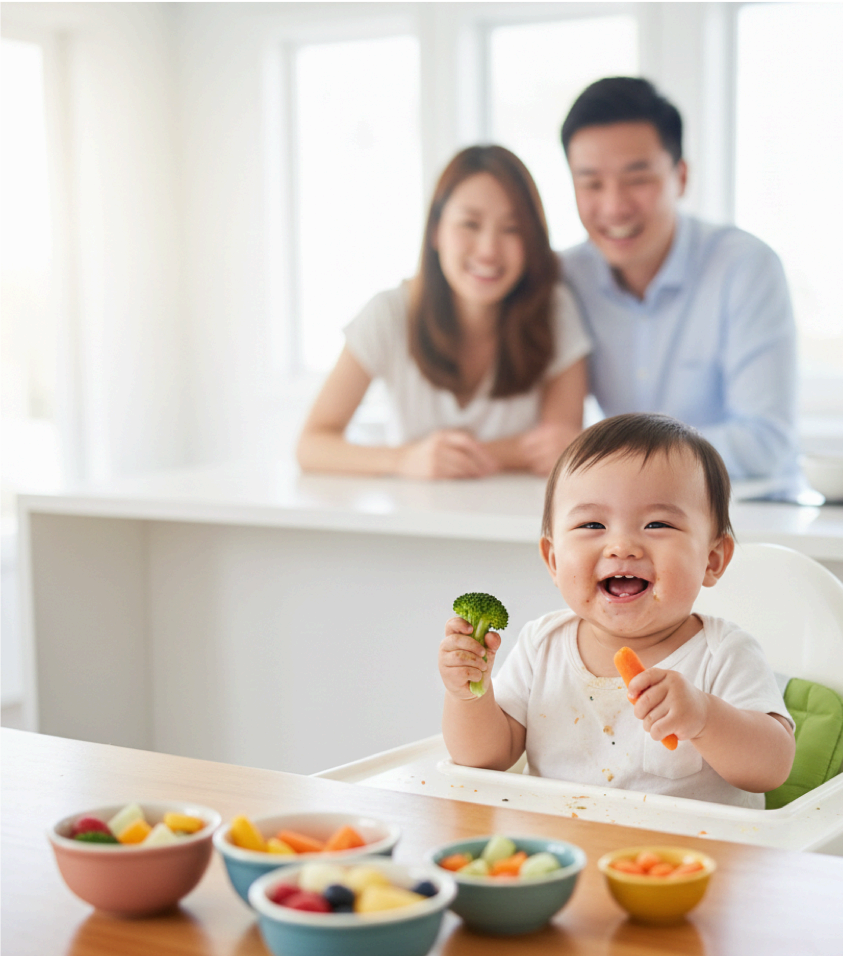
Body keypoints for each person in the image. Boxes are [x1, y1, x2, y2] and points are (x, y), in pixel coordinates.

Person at [438, 413, 795, 808]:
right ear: (553, 560)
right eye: (592, 525)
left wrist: (705, 718)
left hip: (686, 847)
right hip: (560, 840)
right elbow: (485, 759)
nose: (622, 546)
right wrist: (468, 696)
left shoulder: (723, 653)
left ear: (712, 559)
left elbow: (772, 768)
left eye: (657, 524)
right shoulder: (542, 646)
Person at [297, 146, 590, 479]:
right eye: (470, 224)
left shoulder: (554, 309)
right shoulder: (390, 313)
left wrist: (447, 456)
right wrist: (405, 459)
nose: (488, 250)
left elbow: (556, 449)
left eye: (512, 229)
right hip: (416, 508)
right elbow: (311, 445)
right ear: (436, 230)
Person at [559, 77, 798, 480]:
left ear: (681, 177)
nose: (614, 207)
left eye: (638, 179)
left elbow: (764, 444)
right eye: (591, 184)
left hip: (740, 504)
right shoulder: (565, 277)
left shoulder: (744, 267)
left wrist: (615, 455)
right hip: (629, 510)